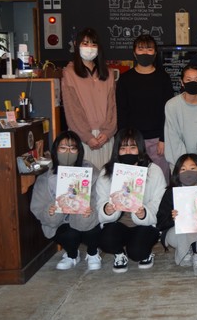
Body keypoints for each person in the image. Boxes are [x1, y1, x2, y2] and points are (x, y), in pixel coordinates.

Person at [95, 128, 167, 273]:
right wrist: (107, 209)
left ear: (140, 149)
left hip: (144, 224)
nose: (128, 152)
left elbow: (158, 203)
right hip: (118, 223)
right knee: (104, 240)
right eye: (123, 148)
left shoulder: (153, 171)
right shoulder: (107, 172)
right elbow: (100, 201)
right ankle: (119, 253)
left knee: (137, 253)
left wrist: (144, 213)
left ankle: (145, 252)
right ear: (117, 151)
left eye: (133, 147)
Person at [30, 131, 102, 271]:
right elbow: (37, 206)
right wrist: (50, 211)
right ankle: (72, 255)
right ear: (55, 150)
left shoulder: (91, 172)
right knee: (69, 235)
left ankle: (93, 252)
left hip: (86, 220)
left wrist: (91, 210)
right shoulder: (45, 176)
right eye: (63, 148)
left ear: (79, 151)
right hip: (61, 222)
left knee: (92, 229)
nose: (68, 152)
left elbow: (100, 199)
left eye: (73, 148)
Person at [116, 34, 174, 181]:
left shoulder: (163, 78)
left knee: (160, 179)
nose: (145, 53)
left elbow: (168, 112)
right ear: (134, 53)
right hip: (133, 140)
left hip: (157, 140)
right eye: (141, 49)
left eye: (149, 49)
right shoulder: (125, 79)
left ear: (155, 53)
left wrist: (164, 138)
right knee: (132, 181)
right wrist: (125, 141)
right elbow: (122, 111)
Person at [61, 27, 117, 170]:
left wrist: (107, 132)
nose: (90, 48)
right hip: (82, 137)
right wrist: (87, 136)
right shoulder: (69, 73)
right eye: (85, 43)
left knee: (106, 178)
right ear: (77, 45)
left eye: (93, 44)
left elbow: (112, 107)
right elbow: (72, 109)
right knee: (84, 180)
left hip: (105, 138)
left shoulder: (108, 73)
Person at [156, 153, 197, 276]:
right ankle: (187, 249)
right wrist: (172, 218)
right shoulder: (171, 192)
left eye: (192, 168)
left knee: (195, 223)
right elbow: (160, 222)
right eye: (183, 169)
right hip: (176, 233)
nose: (188, 172)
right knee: (188, 226)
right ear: (177, 173)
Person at [164, 64, 197, 173]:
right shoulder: (172, 105)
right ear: (182, 82)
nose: (193, 83)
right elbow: (173, 137)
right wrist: (184, 166)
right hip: (178, 164)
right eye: (188, 79)